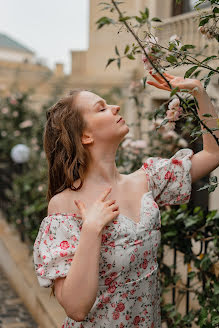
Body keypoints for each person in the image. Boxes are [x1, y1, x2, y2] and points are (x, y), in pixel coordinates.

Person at [33, 72, 219, 328]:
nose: (115, 106)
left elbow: (212, 153)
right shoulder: (66, 205)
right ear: (86, 136)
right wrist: (91, 230)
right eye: (102, 108)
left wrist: (198, 91)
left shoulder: (148, 179)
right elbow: (76, 309)